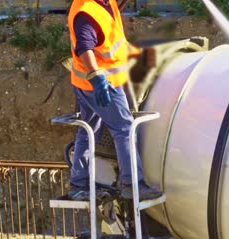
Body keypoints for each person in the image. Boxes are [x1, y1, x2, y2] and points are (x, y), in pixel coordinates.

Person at [66, 0, 161, 201]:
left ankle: (78, 184)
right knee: (124, 129)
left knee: (88, 131)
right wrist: (97, 78)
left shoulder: (103, 2)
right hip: (103, 86)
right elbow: (84, 47)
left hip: (86, 82)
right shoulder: (86, 12)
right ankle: (132, 184)